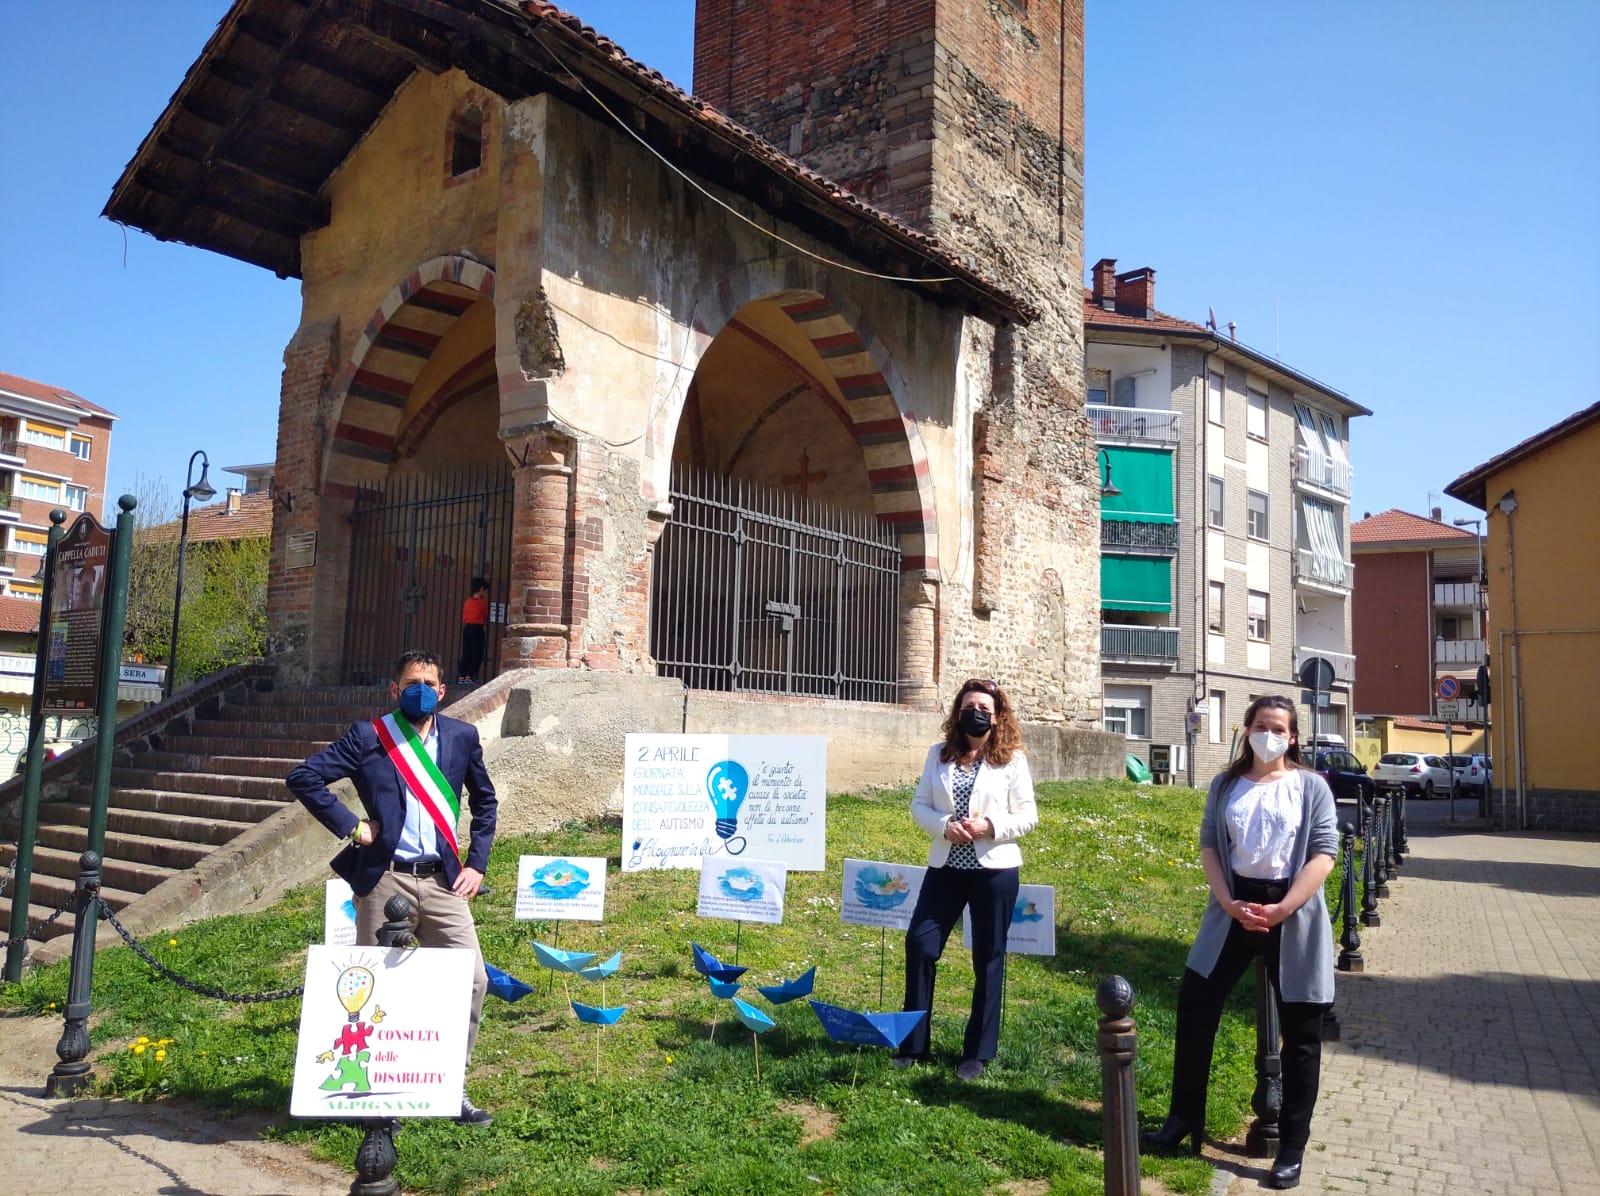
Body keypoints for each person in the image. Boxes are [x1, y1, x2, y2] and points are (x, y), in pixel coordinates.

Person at [287, 649, 498, 1126]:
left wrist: (477, 864)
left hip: (443, 881)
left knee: (472, 979)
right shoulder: (370, 736)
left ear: (442, 691)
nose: (419, 691)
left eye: (428, 684)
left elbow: (485, 803)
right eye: (410, 684)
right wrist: (351, 826)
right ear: (394, 689)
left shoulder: (462, 737)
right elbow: (304, 776)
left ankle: (451, 1085)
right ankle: (374, 1096)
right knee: (373, 989)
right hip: (385, 878)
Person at [1144, 695, 1339, 1190]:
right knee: (1195, 1005)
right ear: (1247, 730)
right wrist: (1229, 902)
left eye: (1279, 729)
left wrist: (1283, 908)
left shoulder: (1312, 787)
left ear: (1292, 737)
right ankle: (1184, 1117)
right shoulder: (1225, 784)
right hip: (1233, 909)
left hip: (1291, 914)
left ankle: (1291, 1148)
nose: (1269, 735)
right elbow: (1210, 844)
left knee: (1302, 1034)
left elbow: (1324, 853)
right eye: (1260, 726)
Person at [894, 678, 1038, 1081]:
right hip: (946, 868)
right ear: (958, 713)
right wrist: (944, 825)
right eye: (968, 707)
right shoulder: (938, 755)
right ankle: (912, 1044)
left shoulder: (1012, 760)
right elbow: (919, 805)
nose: (975, 713)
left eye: (984, 708)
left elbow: (1028, 815)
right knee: (920, 944)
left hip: (994, 871)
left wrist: (990, 826)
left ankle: (976, 1053)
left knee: (988, 958)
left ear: (997, 716)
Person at [458, 576, 490, 685]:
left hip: (467, 628)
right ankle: (470, 676)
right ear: (481, 589)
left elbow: (464, 617)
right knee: (478, 654)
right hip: (477, 628)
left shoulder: (467, 602)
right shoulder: (482, 603)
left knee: (466, 653)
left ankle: (462, 676)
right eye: (485, 590)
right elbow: (485, 615)